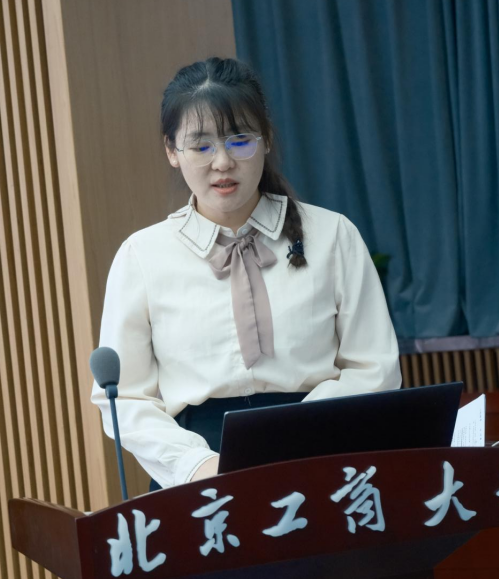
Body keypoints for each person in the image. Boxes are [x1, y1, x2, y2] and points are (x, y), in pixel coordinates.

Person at [91, 57, 401, 492]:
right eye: (200, 146)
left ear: (266, 138)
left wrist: (305, 434)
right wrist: (194, 464)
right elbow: (124, 397)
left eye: (240, 141)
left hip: (318, 454)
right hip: (198, 470)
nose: (222, 162)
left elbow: (374, 366)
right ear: (172, 151)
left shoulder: (333, 235)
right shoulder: (142, 256)